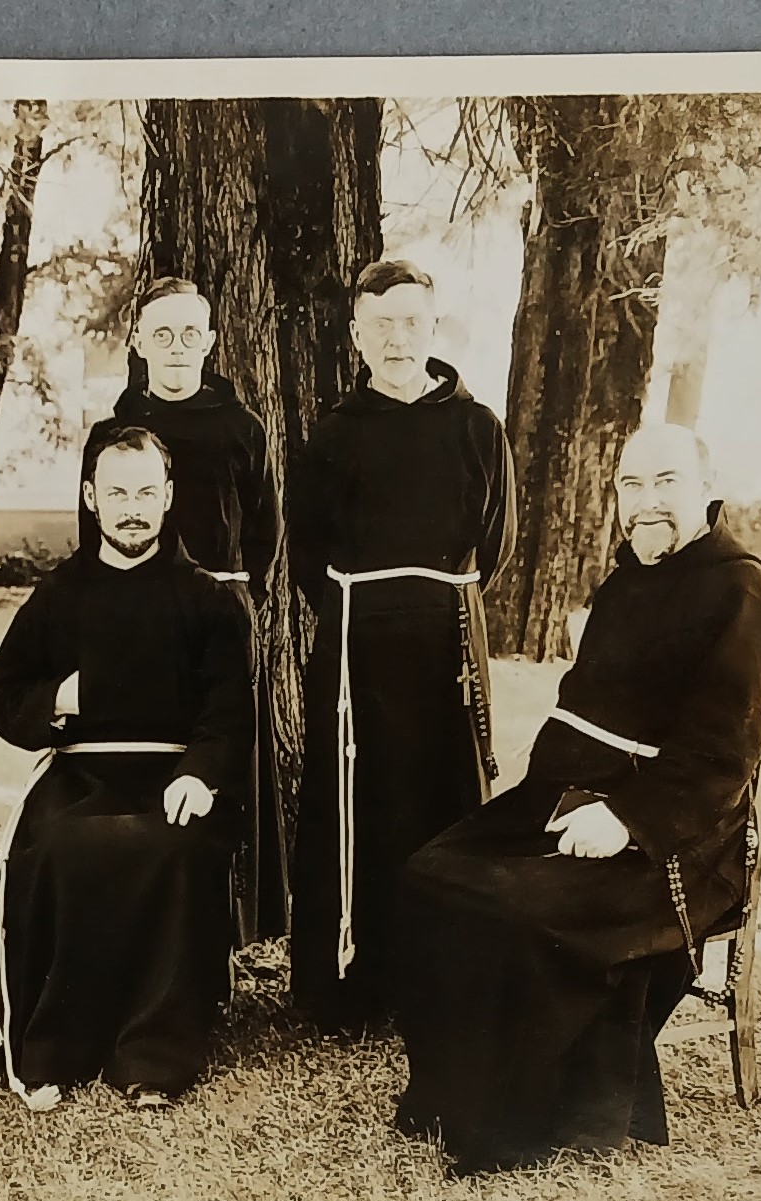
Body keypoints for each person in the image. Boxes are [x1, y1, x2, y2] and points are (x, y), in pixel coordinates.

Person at [393, 424, 761, 1175]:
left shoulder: (743, 595)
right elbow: (584, 709)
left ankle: (520, 1125)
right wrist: (548, 794)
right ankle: (450, 1095)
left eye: (666, 482)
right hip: (581, 799)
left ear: (708, 488)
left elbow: (720, 760)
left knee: (525, 908)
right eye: (630, 486)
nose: (646, 503)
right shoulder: (626, 582)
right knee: (432, 872)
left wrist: (627, 820)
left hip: (683, 841)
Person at [0, 424, 254, 1111]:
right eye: (118, 493)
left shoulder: (209, 598)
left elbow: (228, 710)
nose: (133, 509)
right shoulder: (59, 594)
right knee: (58, 842)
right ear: (91, 498)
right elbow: (0, 693)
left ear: (168, 497)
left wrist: (200, 772)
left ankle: (151, 1054)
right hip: (79, 772)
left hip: (174, 774)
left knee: (171, 845)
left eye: (146, 493)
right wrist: (58, 699)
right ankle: (55, 1046)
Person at [286, 259, 516, 1034]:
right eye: (380, 324)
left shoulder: (477, 428)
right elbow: (307, 552)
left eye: (411, 321)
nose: (397, 338)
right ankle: (349, 986)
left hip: (447, 646)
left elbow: (497, 542)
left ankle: (442, 987)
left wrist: (433, 601)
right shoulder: (333, 434)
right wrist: (371, 611)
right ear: (356, 336)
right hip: (357, 650)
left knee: (446, 804)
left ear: (433, 327)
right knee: (360, 806)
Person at [80, 277, 284, 944]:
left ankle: (223, 930)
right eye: (161, 334)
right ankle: (146, 920)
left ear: (210, 342)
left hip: (220, 616)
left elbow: (266, 530)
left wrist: (235, 599)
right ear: (139, 343)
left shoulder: (242, 428)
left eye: (189, 334)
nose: (176, 347)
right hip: (140, 620)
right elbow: (92, 542)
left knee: (219, 757)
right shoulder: (113, 434)